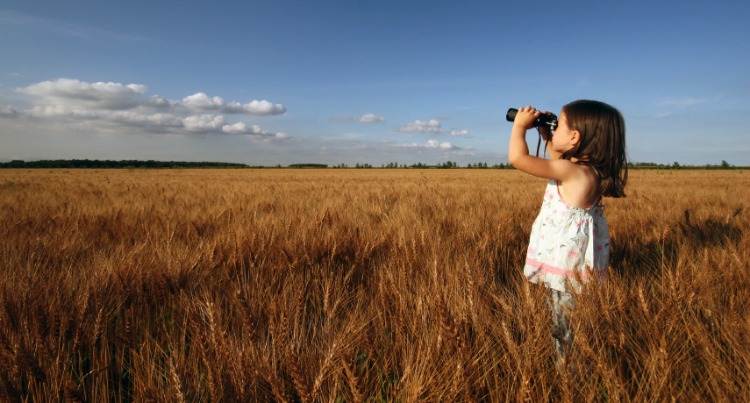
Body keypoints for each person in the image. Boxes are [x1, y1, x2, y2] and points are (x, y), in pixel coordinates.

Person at [507, 100, 628, 365]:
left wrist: (520, 127)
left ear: (574, 137)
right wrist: (545, 134)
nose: (554, 128)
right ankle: (577, 363)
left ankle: (568, 373)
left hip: (563, 264)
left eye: (558, 125)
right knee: (572, 320)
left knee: (563, 327)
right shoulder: (591, 172)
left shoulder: (570, 171)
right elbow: (559, 158)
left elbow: (517, 159)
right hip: (576, 264)